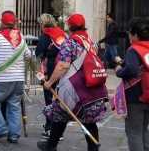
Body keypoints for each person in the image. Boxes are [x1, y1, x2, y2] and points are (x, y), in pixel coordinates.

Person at [38, 13, 108, 151]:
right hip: (91, 86)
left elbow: (63, 65)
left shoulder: (71, 43)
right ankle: (91, 147)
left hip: (75, 88)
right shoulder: (90, 42)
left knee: (61, 112)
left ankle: (51, 145)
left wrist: (50, 82)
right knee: (83, 117)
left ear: (70, 26)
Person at [0, 11, 32, 144]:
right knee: (14, 106)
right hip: (18, 79)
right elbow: (28, 55)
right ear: (14, 23)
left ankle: (1, 129)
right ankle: (14, 135)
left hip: (1, 79)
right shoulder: (20, 38)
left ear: (2, 23)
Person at [115, 18, 149, 151]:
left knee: (133, 132)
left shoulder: (133, 49)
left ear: (135, 34)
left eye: (129, 33)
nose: (129, 36)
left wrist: (119, 71)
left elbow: (132, 69)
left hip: (136, 97)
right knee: (144, 130)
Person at [35, 13, 67, 139]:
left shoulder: (46, 35)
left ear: (43, 24)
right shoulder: (61, 33)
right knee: (59, 100)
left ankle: (50, 128)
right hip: (64, 70)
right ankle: (59, 130)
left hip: (51, 70)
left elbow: (38, 53)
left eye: (40, 24)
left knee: (49, 100)